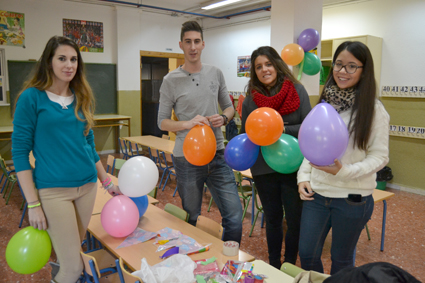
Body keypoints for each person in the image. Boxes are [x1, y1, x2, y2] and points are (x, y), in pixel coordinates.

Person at [12, 36, 120, 283]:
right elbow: (19, 154)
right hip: (53, 192)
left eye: (73, 59)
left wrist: (106, 182)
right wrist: (33, 203)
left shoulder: (81, 96)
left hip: (87, 188)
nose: (69, 64)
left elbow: (89, 146)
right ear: (49, 62)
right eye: (62, 58)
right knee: (73, 267)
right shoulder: (31, 98)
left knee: (68, 257)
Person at [297, 41, 390, 274]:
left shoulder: (373, 110)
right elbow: (311, 146)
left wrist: (344, 171)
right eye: (338, 64)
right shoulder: (325, 103)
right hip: (317, 195)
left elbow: (380, 157)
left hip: (352, 199)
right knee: (307, 254)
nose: (342, 71)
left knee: (341, 261)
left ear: (364, 70)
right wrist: (303, 176)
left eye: (351, 66)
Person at [157, 21, 243, 243]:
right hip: (186, 158)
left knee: (234, 215)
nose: (193, 47)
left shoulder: (216, 73)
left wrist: (223, 118)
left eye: (197, 41)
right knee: (191, 217)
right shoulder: (170, 80)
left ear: (203, 44)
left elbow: (230, 108)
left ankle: (229, 265)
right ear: (181, 45)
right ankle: (194, 265)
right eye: (188, 42)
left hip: (217, 154)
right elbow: (162, 123)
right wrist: (185, 124)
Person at [240, 46, 312, 268]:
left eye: (268, 64)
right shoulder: (251, 99)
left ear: (277, 64)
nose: (264, 70)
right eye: (258, 67)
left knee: (294, 219)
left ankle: (289, 263)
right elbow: (247, 133)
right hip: (263, 167)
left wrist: (280, 129)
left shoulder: (297, 90)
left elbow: (307, 127)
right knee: (271, 219)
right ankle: (273, 264)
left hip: (293, 166)